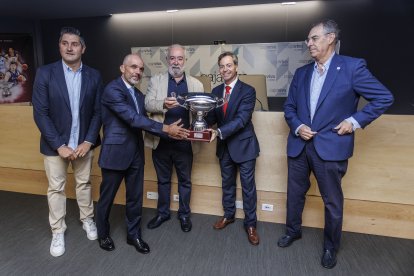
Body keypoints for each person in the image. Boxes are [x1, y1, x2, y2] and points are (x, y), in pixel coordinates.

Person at [278, 19, 394, 269]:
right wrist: (298, 126)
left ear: (330, 38)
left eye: (314, 38)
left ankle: (331, 247)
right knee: (295, 194)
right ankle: (293, 230)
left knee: (332, 201)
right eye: (308, 39)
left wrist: (354, 121)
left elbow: (384, 97)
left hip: (331, 147)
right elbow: (289, 108)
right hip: (300, 145)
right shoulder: (302, 72)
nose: (308, 43)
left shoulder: (352, 68)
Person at [95, 53, 189, 254]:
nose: (137, 72)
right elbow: (133, 120)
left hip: (136, 154)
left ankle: (133, 235)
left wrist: (170, 130)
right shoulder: (112, 90)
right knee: (107, 198)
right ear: (123, 68)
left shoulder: (138, 96)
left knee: (135, 198)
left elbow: (146, 123)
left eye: (140, 69)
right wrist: (166, 129)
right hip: (115, 154)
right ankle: (102, 233)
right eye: (133, 67)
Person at [32, 27, 103, 257]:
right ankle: (57, 230)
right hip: (55, 147)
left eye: (75, 44)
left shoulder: (94, 75)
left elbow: (97, 112)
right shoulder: (45, 73)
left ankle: (87, 220)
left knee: (84, 184)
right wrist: (59, 145)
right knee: (56, 188)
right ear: (60, 46)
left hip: (83, 144)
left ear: (83, 48)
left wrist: (89, 140)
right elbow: (40, 113)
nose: (70, 47)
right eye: (65, 43)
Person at [144, 44, 204, 232]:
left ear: (184, 61)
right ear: (167, 59)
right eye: (172, 58)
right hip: (161, 140)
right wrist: (162, 103)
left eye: (179, 58)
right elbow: (147, 104)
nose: (175, 62)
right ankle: (162, 213)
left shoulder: (196, 84)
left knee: (185, 181)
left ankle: (184, 214)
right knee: (163, 181)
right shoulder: (156, 80)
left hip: (185, 142)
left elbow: (202, 111)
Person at [207, 51, 260, 245]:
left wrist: (218, 132)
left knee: (248, 188)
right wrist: (199, 121)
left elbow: (241, 120)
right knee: (227, 185)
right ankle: (228, 215)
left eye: (229, 65)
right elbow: (211, 118)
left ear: (236, 67)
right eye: (222, 66)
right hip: (224, 148)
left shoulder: (248, 91)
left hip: (244, 146)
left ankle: (251, 224)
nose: (225, 69)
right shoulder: (215, 91)